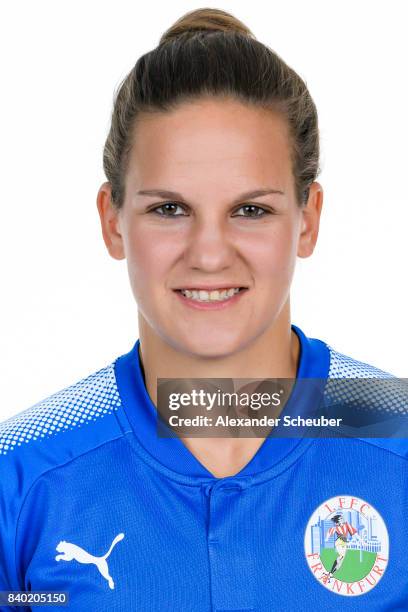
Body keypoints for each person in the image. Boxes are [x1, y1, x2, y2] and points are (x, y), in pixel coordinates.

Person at [0, 7, 406, 610]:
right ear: (112, 221)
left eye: (251, 210)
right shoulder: (24, 478)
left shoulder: (396, 436)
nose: (210, 254)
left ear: (308, 220)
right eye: (169, 209)